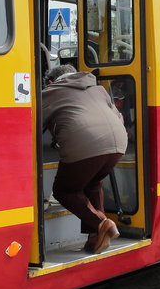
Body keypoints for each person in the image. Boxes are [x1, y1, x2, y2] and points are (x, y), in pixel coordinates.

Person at [42, 65, 128, 253]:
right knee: (92, 183)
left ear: (50, 81)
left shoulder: (52, 91)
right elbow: (117, 116)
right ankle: (95, 237)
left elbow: (32, 121)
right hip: (118, 142)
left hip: (86, 143)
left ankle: (102, 223)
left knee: (65, 190)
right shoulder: (97, 88)